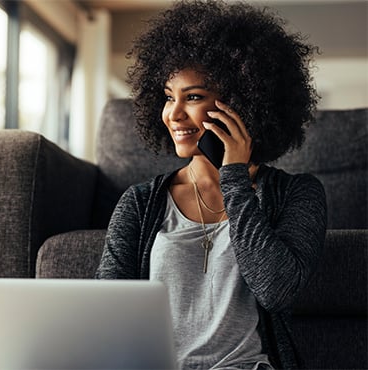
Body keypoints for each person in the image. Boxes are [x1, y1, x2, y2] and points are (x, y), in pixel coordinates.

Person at [95, 1, 327, 369]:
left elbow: (276, 289)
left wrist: (233, 176)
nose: (173, 114)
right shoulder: (139, 203)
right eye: (170, 96)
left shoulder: (298, 194)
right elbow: (104, 315)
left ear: (243, 104)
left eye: (194, 97)